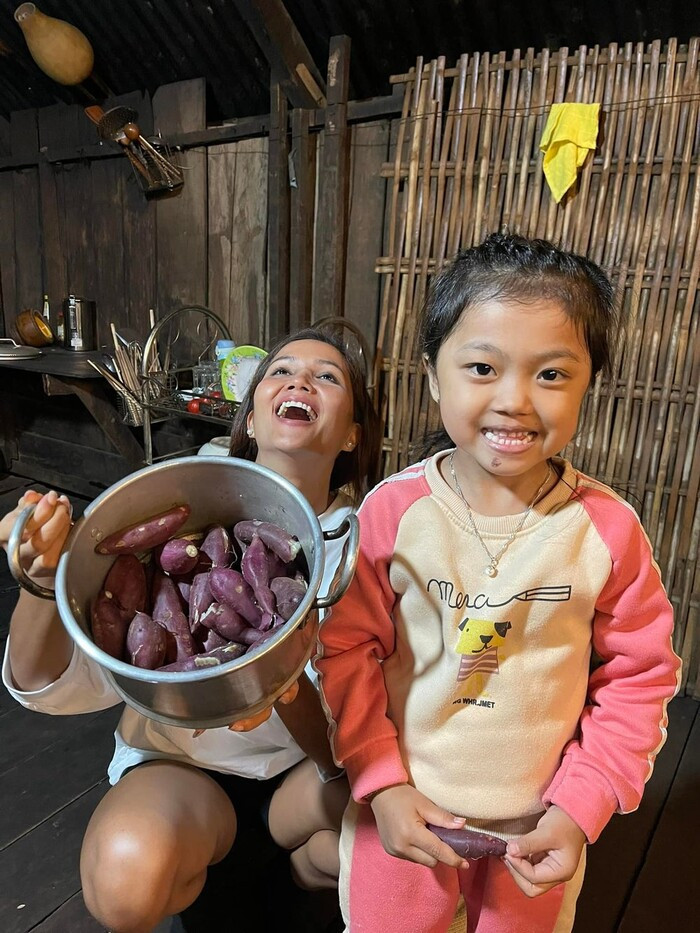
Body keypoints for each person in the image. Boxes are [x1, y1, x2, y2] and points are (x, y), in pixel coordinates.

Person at [315, 233, 681, 933]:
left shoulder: (606, 529)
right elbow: (344, 650)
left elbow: (641, 676)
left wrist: (581, 804)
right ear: (432, 374)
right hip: (406, 816)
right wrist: (380, 781)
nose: (514, 399)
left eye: (551, 374)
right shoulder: (392, 512)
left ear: (588, 384)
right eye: (482, 366)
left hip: (535, 832)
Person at [0, 327, 382, 933]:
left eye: (327, 377)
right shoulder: (175, 506)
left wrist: (277, 684)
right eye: (280, 371)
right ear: (251, 418)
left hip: (301, 784)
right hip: (182, 774)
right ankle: (232, 875)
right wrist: (42, 580)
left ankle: (302, 871)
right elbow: (46, 684)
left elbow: (356, 728)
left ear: (354, 432)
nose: (300, 381)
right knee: (125, 885)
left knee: (403, 832)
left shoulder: (365, 546)